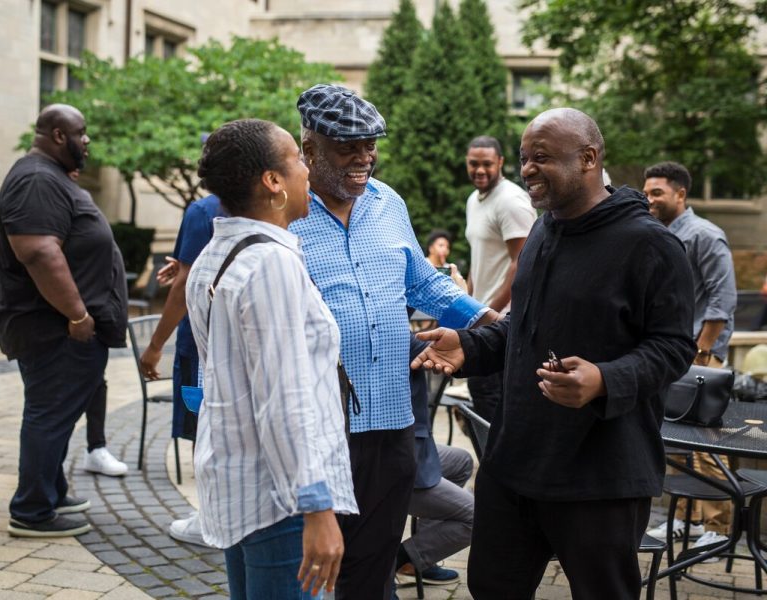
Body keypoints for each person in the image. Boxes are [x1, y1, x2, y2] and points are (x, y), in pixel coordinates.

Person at [411, 108, 696, 600]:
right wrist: (468, 346)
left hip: (599, 474)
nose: (525, 169)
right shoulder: (543, 233)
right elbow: (522, 333)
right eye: (523, 158)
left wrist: (605, 379)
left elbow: (674, 347)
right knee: (491, 586)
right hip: (515, 461)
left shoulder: (650, 245)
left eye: (540, 157)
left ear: (588, 159)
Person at [290, 84, 496, 600]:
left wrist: (486, 318)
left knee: (376, 563)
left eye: (371, 146)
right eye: (348, 148)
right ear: (309, 148)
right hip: (322, 426)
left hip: (391, 417)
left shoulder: (387, 203)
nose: (364, 159)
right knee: (318, 565)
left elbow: (422, 283)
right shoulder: (285, 213)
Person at [184, 118, 357, 599]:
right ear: (273, 182)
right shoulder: (271, 264)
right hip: (280, 501)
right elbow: (285, 398)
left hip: (242, 482)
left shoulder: (215, 255)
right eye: (298, 160)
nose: (308, 170)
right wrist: (317, 508)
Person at [0, 104, 128, 537]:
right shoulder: (36, 179)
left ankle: (50, 489)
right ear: (56, 135)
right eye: (80, 133)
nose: (86, 141)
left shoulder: (48, 177)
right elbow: (38, 251)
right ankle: (32, 511)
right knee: (50, 414)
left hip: (63, 328)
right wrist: (77, 314)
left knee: (57, 412)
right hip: (55, 327)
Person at [643, 161, 737, 552]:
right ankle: (685, 520)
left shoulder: (704, 235)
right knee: (680, 446)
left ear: (681, 194)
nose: (649, 199)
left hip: (701, 360)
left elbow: (723, 300)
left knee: (708, 446)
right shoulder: (658, 235)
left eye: (657, 193)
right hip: (675, 358)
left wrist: (700, 354)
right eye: (646, 192)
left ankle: (719, 528)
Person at [139, 192, 223, 545]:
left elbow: (184, 286)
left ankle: (209, 519)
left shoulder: (204, 209)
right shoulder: (274, 201)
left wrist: (155, 346)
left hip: (201, 343)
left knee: (202, 426)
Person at [464, 135, 536, 421]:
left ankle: (501, 465)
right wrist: (466, 305)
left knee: (494, 402)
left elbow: (523, 263)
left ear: (501, 163)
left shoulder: (510, 201)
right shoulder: (475, 199)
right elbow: (478, 259)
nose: (480, 170)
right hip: (479, 317)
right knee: (481, 397)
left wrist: (488, 312)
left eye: (487, 164)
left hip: (502, 322)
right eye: (473, 164)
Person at [394, 333, 473, 592]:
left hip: (415, 444)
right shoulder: (393, 335)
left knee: (461, 461)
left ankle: (420, 561)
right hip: (396, 458)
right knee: (477, 517)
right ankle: (400, 560)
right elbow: (460, 340)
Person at [66, 169, 128, 478]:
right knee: (63, 397)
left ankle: (96, 447)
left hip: (97, 316)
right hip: (78, 319)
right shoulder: (55, 200)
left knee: (96, 384)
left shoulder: (79, 199)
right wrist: (78, 314)